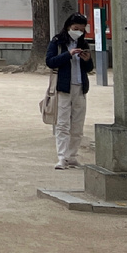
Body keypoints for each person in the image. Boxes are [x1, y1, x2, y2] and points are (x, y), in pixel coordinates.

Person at [46, 12, 93, 169]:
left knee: (78, 125)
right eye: (75, 28)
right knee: (63, 123)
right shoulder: (57, 42)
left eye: (81, 29)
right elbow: (50, 61)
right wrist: (68, 54)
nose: (78, 31)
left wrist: (87, 60)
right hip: (63, 88)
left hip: (80, 87)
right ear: (68, 27)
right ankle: (62, 157)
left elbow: (88, 68)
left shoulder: (83, 43)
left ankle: (72, 156)